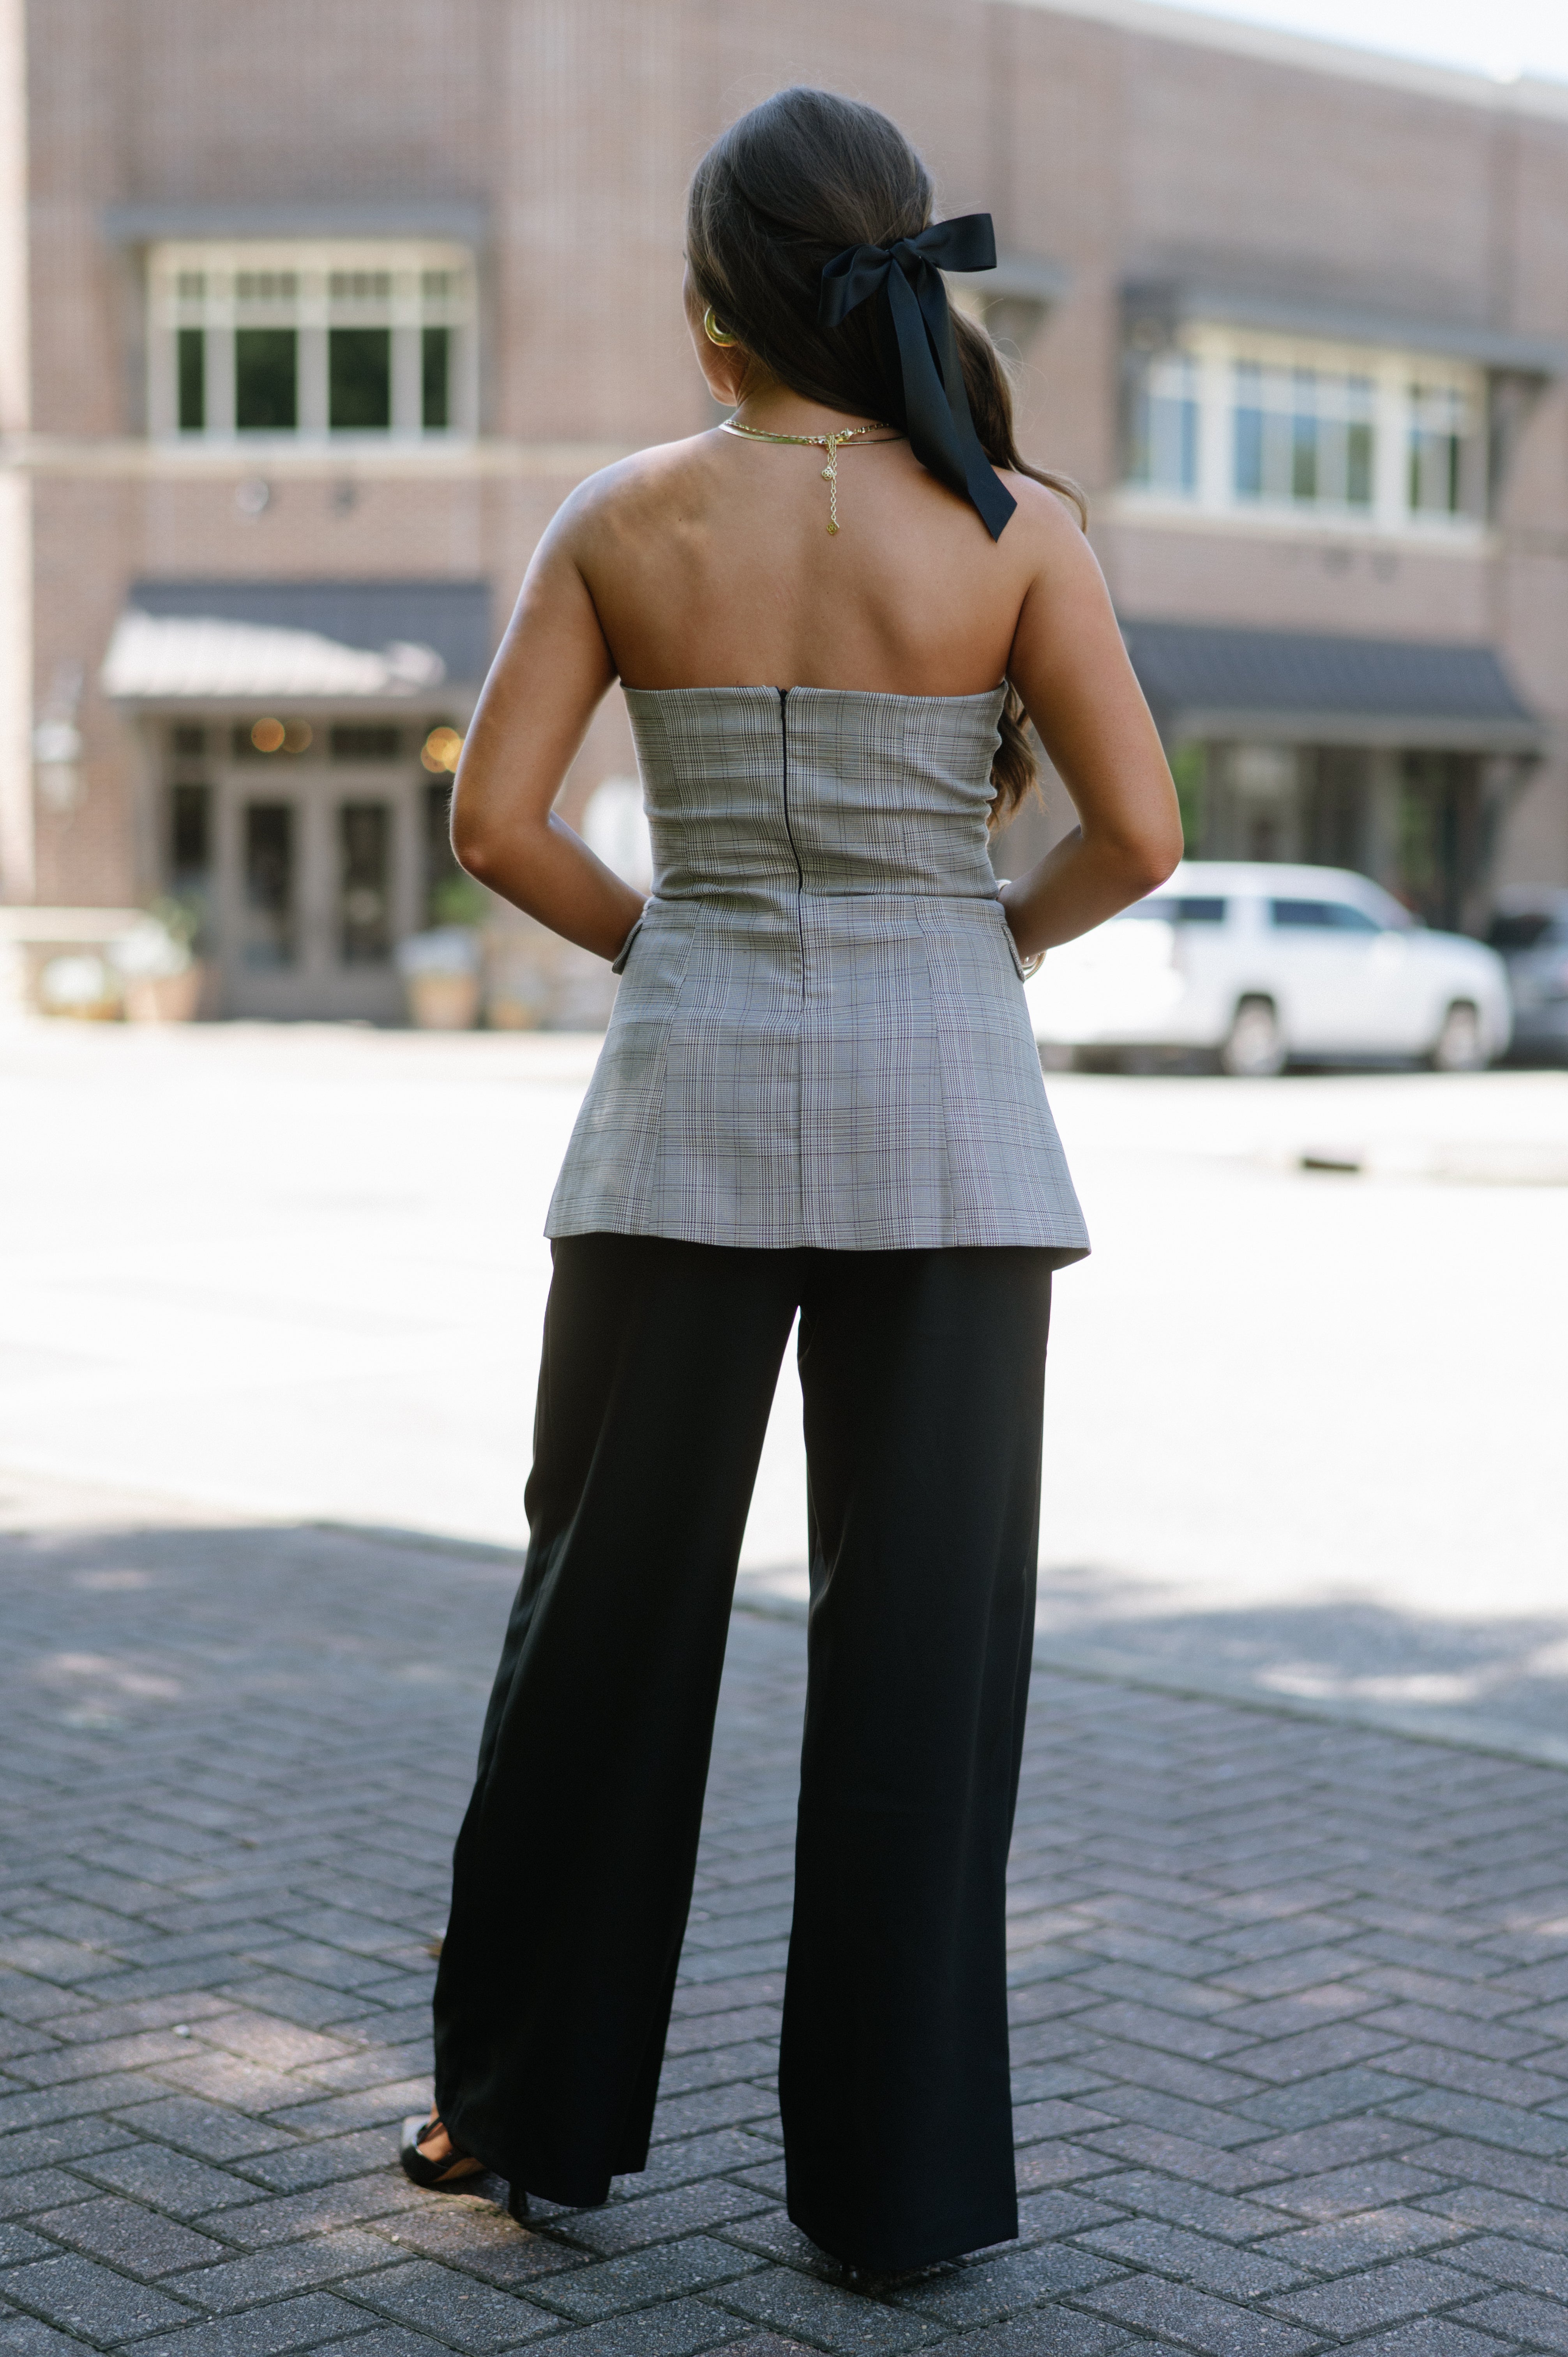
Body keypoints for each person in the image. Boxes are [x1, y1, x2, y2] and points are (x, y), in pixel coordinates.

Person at [400, 85, 1181, 2276]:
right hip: (956, 1132)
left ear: (714, 302)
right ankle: (896, 2195)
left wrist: (681, 948)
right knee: (923, 1663)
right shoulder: (1015, 523)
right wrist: (987, 945)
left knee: (599, 1631)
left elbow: (500, 828)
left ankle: (520, 2117)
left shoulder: (622, 512)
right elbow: (1135, 837)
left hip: (679, 1120)